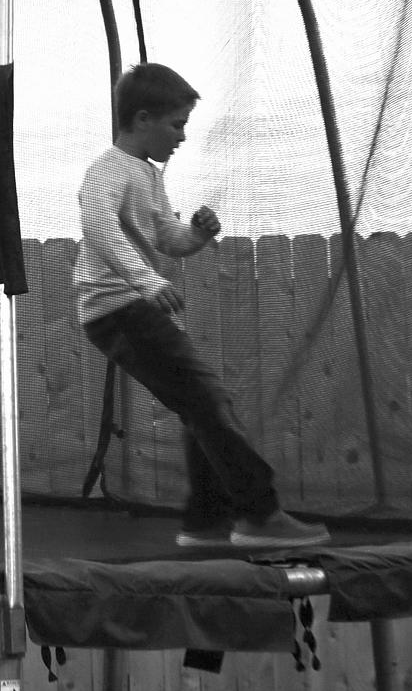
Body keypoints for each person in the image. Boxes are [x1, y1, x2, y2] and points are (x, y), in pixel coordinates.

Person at [74, 61, 329, 550]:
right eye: (177, 124)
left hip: (131, 306)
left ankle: (205, 522)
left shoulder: (147, 175)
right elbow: (98, 227)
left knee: (199, 405)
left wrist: (196, 232)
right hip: (116, 309)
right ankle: (258, 515)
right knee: (208, 400)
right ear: (143, 119)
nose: (183, 136)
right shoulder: (107, 170)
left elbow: (166, 239)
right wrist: (147, 281)